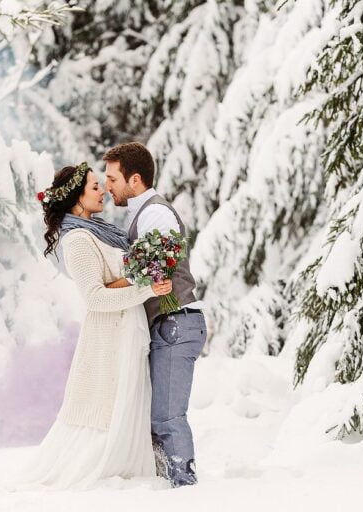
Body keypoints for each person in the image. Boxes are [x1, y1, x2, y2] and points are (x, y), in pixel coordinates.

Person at [20, 162, 172, 490]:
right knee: (109, 409)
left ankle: (135, 470)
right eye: (93, 187)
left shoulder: (100, 233)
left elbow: (120, 280)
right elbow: (95, 298)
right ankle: (110, 473)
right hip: (109, 339)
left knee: (131, 403)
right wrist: (148, 287)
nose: (102, 189)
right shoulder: (77, 240)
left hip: (130, 329)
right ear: (76, 199)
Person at [103, 142, 208, 488]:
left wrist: (107, 286)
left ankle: (184, 490)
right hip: (167, 324)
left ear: (134, 180)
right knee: (156, 418)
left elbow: (153, 265)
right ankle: (171, 487)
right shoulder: (141, 213)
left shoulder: (155, 213)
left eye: (112, 178)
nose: (107, 185)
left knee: (167, 417)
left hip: (175, 321)